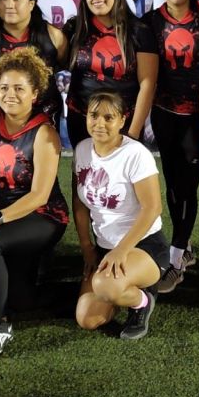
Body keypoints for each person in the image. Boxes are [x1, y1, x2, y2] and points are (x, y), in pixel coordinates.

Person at [0, 48, 68, 359]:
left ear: (34, 93)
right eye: (3, 88)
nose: (9, 95)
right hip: (7, 216)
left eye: (19, 88)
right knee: (22, 297)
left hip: (43, 215)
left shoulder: (45, 132)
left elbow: (39, 194)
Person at [142, 0, 199, 293]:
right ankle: (183, 244)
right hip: (164, 114)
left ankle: (176, 257)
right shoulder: (149, 22)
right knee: (174, 185)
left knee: (186, 186)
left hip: (198, 118)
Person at [74, 91, 168, 340]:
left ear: (122, 121)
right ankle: (122, 287)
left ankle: (141, 300)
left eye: (108, 117)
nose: (100, 123)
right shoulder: (83, 149)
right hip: (105, 247)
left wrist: (121, 250)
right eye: (94, 115)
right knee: (87, 319)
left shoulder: (136, 154)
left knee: (106, 286)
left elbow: (153, 208)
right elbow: (80, 202)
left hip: (144, 246)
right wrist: (87, 247)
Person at [64, 0, 157, 148]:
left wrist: (133, 132)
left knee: (123, 176)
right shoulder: (75, 28)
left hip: (123, 122)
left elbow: (148, 84)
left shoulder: (139, 31)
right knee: (85, 174)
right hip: (82, 120)